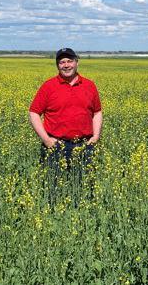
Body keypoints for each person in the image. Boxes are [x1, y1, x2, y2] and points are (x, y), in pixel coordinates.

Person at [29, 48, 102, 205]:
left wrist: (96, 136)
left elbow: (97, 112)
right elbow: (34, 113)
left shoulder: (89, 85)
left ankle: (82, 215)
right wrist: (46, 140)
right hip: (55, 146)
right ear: (57, 65)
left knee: (85, 189)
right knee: (52, 190)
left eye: (69, 61)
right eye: (62, 62)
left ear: (77, 62)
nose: (66, 65)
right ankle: (53, 215)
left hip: (85, 145)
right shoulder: (48, 86)